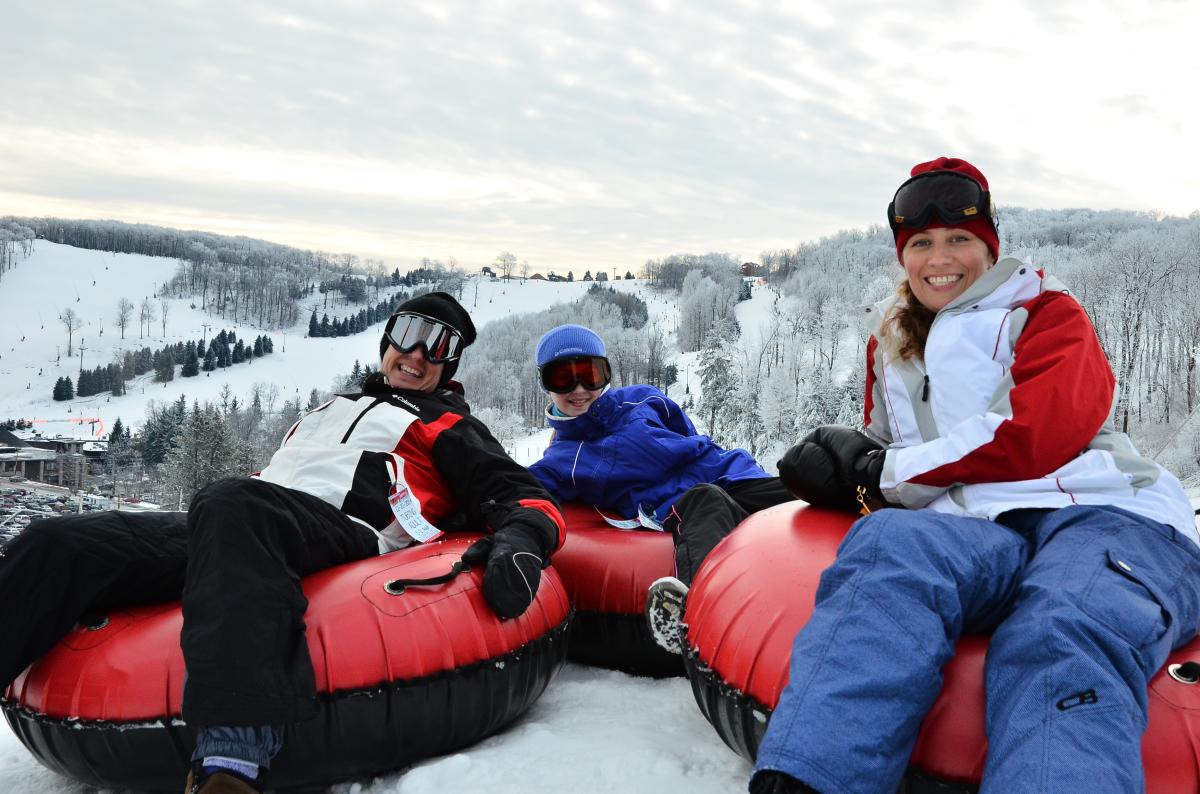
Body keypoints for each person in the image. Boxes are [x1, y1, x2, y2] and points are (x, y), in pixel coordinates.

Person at [750, 158, 1200, 794]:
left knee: (1061, 627)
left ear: (989, 246)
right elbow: (890, 445)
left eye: (960, 239)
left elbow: (1035, 431)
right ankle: (810, 781)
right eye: (921, 244)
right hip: (976, 531)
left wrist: (885, 471)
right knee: (886, 549)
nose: (942, 258)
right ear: (903, 256)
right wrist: (837, 461)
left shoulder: (1043, 312)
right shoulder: (893, 344)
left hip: (1103, 513)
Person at [0, 292, 564, 794]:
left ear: (449, 363)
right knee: (58, 542)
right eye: (406, 335)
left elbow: (526, 497)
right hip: (243, 521)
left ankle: (233, 760)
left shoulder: (451, 427)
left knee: (233, 501)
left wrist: (521, 541)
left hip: (345, 529)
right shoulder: (330, 407)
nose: (415, 355)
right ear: (387, 339)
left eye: (435, 346)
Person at [528, 324, 792, 654]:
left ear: (605, 374)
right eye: (562, 378)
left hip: (730, 473)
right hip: (681, 503)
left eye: (589, 374)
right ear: (545, 384)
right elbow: (522, 490)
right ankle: (699, 618)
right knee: (706, 501)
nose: (579, 388)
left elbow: (686, 432)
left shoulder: (642, 398)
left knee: (796, 488)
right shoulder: (564, 458)